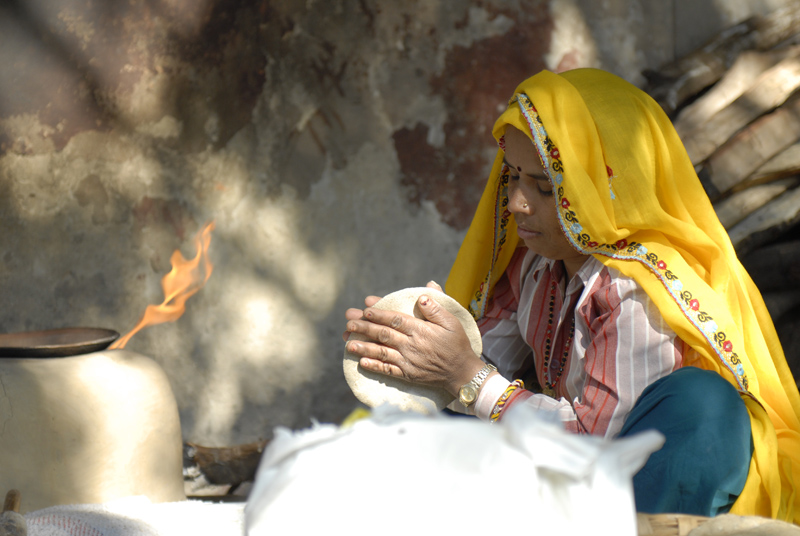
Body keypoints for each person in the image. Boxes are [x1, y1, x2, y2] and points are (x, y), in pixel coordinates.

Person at [343, 68, 800, 521]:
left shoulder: (638, 291)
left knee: (703, 406)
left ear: (603, 188)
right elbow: (482, 356)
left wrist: (467, 375)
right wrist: (414, 340)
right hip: (568, 471)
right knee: (415, 428)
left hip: (637, 483)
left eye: (543, 186)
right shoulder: (536, 258)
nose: (517, 203)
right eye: (514, 178)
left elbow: (594, 440)